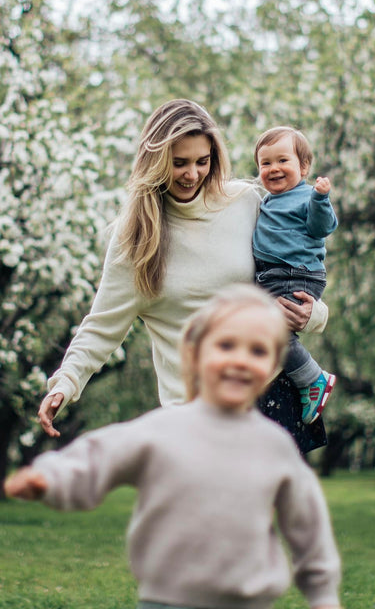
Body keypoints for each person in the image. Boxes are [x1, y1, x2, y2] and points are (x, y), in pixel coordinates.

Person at [7, 285, 342, 609]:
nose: (240, 361)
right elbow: (101, 456)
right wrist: (50, 479)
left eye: (257, 351)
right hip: (167, 600)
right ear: (195, 356)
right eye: (226, 346)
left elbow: (307, 522)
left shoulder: (274, 446)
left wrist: (323, 593)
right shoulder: (164, 430)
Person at [38, 99, 329, 452]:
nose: (192, 174)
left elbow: (294, 267)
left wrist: (313, 314)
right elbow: (101, 325)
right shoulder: (136, 239)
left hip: (269, 398)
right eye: (179, 163)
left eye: (202, 161)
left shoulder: (247, 202)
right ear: (156, 162)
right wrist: (65, 383)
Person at [253, 125, 338, 424]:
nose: (273, 168)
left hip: (295, 274)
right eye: (266, 163)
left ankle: (312, 379)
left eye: (282, 160)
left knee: (272, 331)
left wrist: (320, 198)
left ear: (303, 167)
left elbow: (322, 227)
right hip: (276, 274)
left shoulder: (306, 197)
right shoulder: (266, 200)